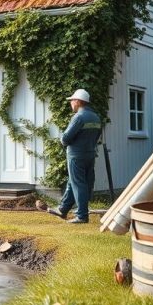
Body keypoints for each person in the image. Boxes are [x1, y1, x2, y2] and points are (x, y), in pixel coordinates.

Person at [48, 89, 102, 224]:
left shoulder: (78, 117)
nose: (71, 103)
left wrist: (63, 141)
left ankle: (82, 216)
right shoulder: (95, 117)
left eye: (72, 100)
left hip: (76, 155)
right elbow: (97, 137)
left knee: (79, 184)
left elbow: (65, 138)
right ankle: (63, 209)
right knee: (74, 182)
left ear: (78, 101)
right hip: (90, 154)